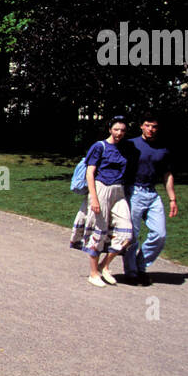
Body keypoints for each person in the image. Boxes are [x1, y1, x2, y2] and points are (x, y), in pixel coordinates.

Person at [69, 117, 134, 287]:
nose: (119, 133)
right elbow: (90, 173)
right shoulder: (99, 146)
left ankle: (104, 266)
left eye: (122, 130)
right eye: (116, 129)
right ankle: (93, 273)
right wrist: (94, 198)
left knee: (127, 233)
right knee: (99, 230)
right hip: (101, 189)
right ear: (110, 129)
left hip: (118, 191)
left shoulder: (125, 148)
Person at [121, 115, 178, 286]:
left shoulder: (163, 149)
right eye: (147, 125)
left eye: (154, 126)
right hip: (134, 192)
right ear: (141, 126)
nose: (150, 129)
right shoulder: (130, 144)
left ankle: (141, 266)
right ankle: (132, 273)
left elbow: (167, 174)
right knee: (132, 235)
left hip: (152, 194)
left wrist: (172, 199)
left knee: (159, 234)